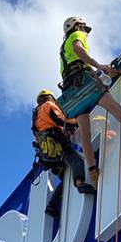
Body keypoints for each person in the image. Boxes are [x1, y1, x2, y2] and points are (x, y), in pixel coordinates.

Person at [57, 16, 121, 186]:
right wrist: (99, 66)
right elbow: (79, 51)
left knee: (85, 134)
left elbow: (71, 65)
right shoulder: (76, 36)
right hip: (83, 82)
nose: (85, 33)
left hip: (71, 91)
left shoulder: (62, 50)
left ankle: (93, 173)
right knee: (112, 106)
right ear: (77, 26)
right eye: (84, 28)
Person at [32, 89, 95, 218]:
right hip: (58, 145)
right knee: (76, 161)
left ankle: (51, 205)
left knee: (65, 178)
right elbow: (61, 120)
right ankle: (80, 184)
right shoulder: (48, 106)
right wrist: (78, 121)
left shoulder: (35, 118)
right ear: (49, 97)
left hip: (48, 156)